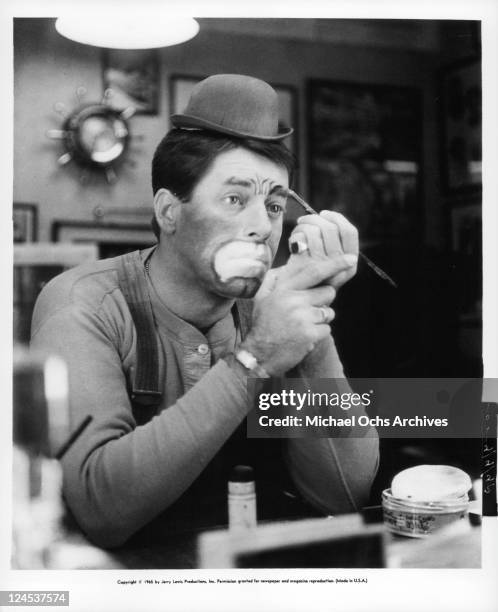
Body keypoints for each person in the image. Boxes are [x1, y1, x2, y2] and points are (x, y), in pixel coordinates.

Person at [31, 74, 379, 549]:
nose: (262, 227)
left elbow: (344, 494)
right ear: (169, 212)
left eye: (275, 205)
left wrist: (308, 317)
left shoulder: (267, 307)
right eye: (235, 199)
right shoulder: (83, 302)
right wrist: (251, 362)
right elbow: (99, 508)